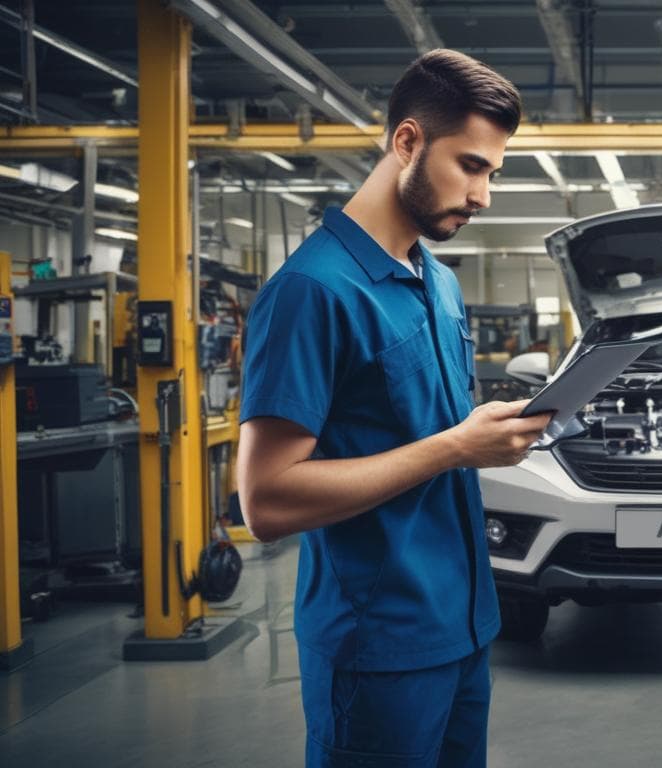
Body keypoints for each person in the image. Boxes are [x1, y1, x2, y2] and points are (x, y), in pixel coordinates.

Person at [236, 49, 551, 768]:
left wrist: (496, 436)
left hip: (465, 628)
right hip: (377, 645)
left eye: (493, 173)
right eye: (471, 165)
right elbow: (267, 502)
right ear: (406, 141)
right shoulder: (312, 291)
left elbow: (432, 434)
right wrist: (455, 448)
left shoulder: (436, 282)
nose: (484, 196)